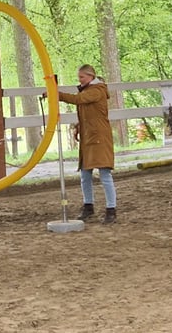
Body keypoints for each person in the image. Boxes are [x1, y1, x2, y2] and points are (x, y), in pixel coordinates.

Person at [50, 64, 116, 224]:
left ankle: (111, 209)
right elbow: (88, 112)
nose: (79, 80)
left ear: (91, 76)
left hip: (99, 137)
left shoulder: (96, 91)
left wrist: (56, 94)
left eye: (82, 77)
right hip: (90, 137)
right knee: (85, 174)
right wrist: (79, 127)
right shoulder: (89, 91)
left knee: (104, 174)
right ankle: (88, 205)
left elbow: (78, 100)